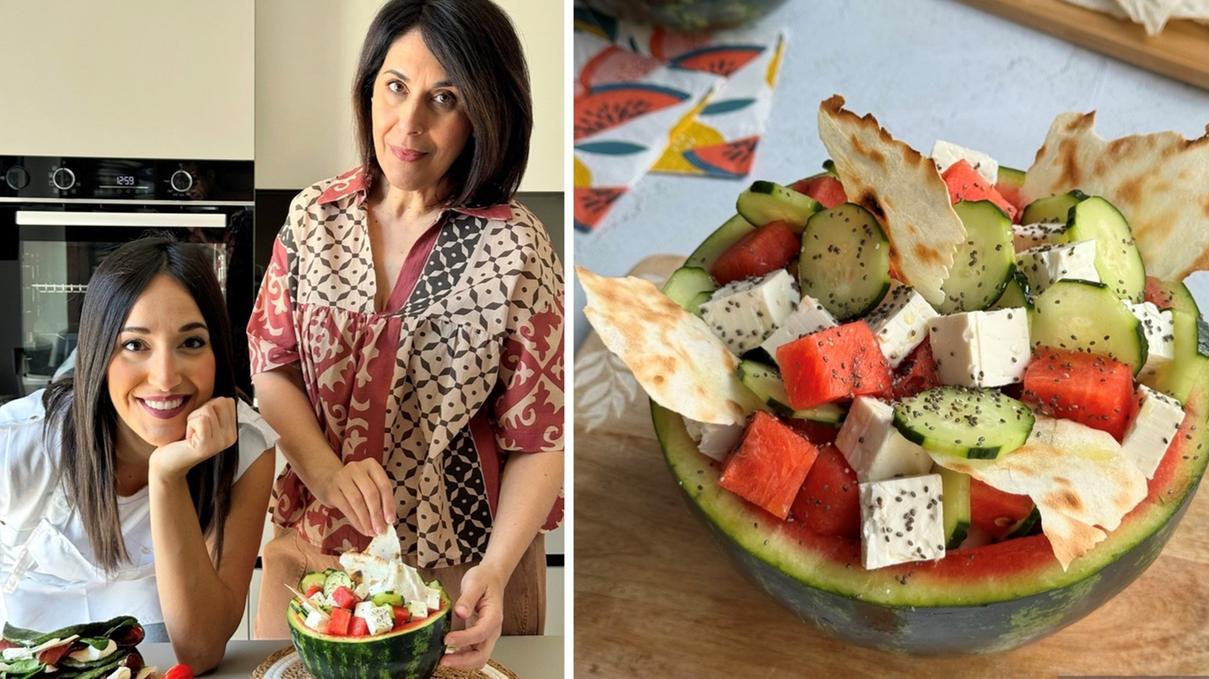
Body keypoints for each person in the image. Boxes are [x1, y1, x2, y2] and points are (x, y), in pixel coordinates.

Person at [248, 0, 564, 669]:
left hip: (466, 568)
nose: (409, 124)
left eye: (444, 98)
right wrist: (327, 472)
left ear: (484, 109)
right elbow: (273, 369)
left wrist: (498, 570)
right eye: (395, 87)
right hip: (313, 556)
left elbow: (541, 438)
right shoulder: (312, 219)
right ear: (368, 89)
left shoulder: (517, 246)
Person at [0, 236, 277, 672]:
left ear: (218, 352)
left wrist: (166, 473)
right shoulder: (17, 443)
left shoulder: (247, 448)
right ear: (98, 354)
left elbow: (200, 649)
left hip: (152, 659)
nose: (165, 378)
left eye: (191, 343)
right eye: (135, 345)